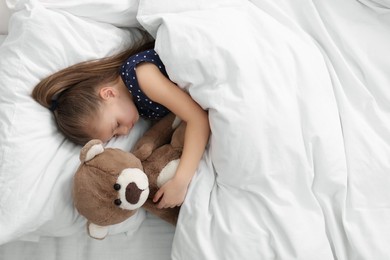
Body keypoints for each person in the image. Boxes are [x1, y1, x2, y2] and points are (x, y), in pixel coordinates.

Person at [32, 35, 210, 209]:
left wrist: (180, 182)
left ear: (108, 94)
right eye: (116, 135)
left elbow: (198, 119)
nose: (125, 132)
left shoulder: (142, 77)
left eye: (116, 125)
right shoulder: (137, 104)